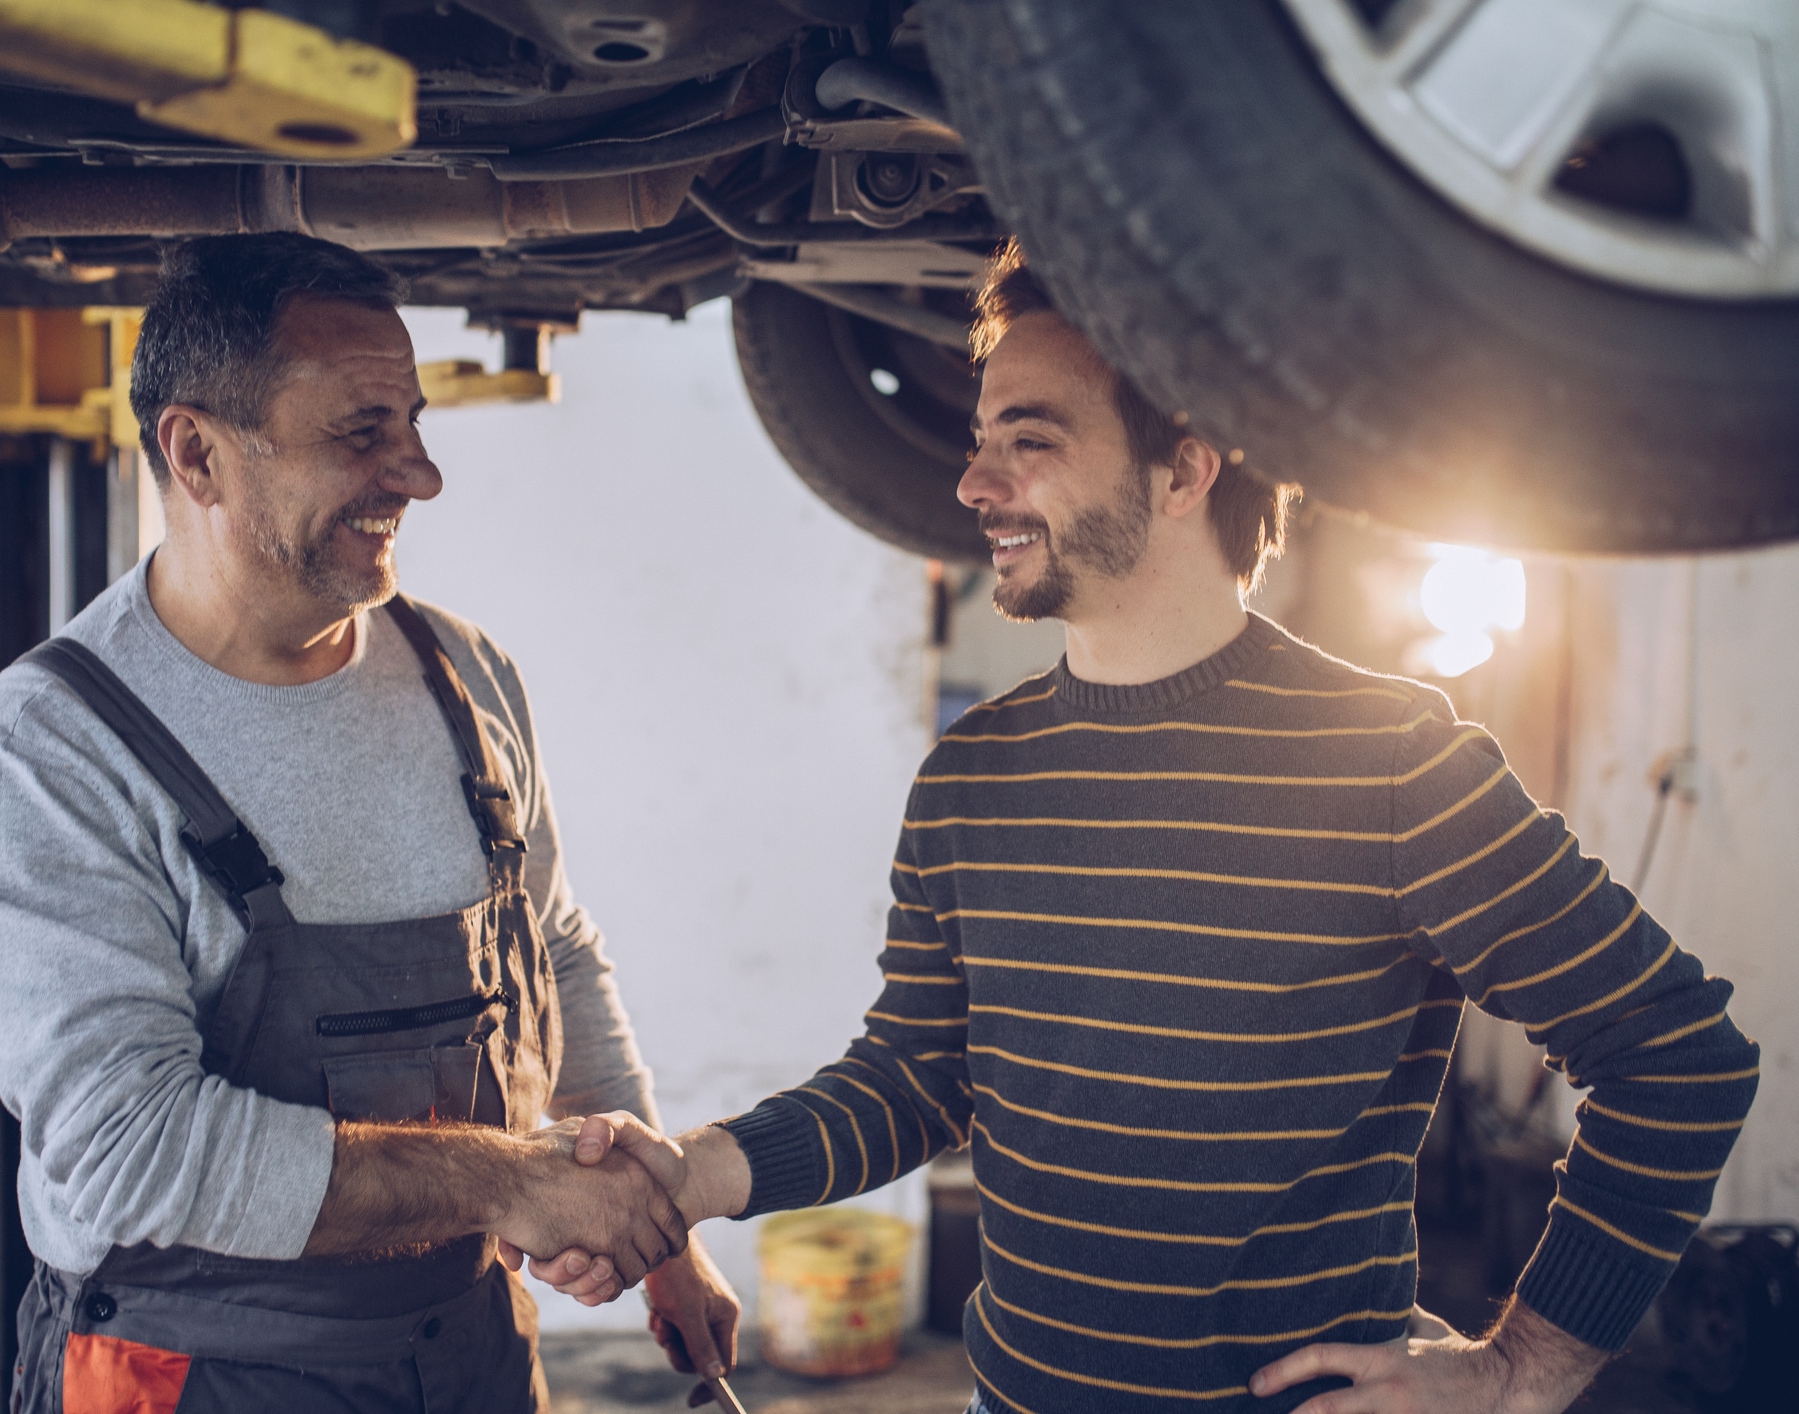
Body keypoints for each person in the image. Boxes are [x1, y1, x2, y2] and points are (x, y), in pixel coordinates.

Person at [532, 240, 1760, 1414]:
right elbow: (919, 1074)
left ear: (1185, 467)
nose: (972, 483)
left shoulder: (1385, 760)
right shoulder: (974, 773)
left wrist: (1518, 1371)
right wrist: (687, 1176)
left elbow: (1678, 1056)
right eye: (979, 441)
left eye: (1032, 439)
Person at [0, 232, 736, 1414]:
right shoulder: (47, 757)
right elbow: (132, 1146)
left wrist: (659, 1232)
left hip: (467, 1350)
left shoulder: (464, 675)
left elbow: (549, 945)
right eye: (362, 433)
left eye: (415, 424)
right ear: (196, 452)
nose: (418, 474)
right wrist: (512, 1183)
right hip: (196, 1373)